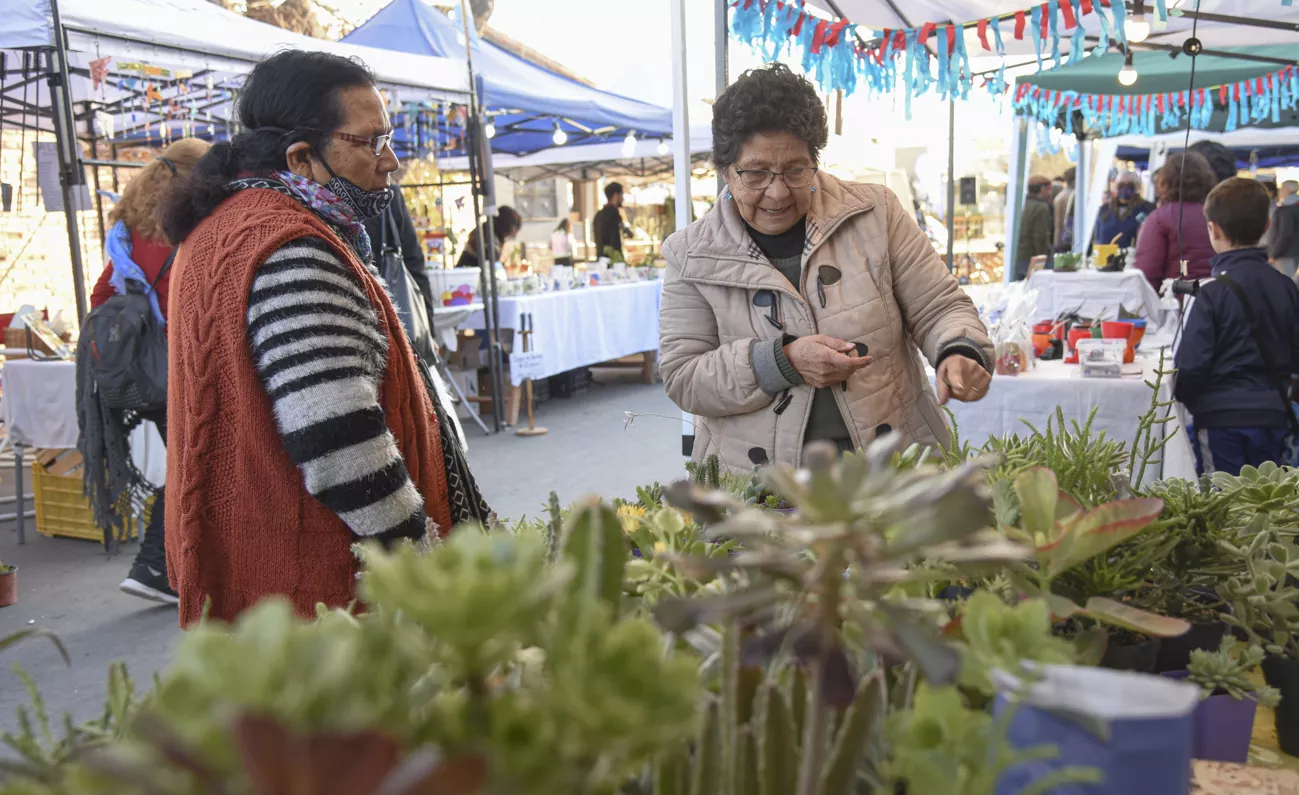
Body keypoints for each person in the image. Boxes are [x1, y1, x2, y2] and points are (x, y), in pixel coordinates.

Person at [160, 50, 491, 627]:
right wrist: (422, 571)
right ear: (302, 156)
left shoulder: (227, 226)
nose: (391, 162)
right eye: (372, 142)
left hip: (270, 588)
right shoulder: (291, 248)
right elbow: (341, 443)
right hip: (322, 598)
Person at [659, 63, 994, 470]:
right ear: (725, 169)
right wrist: (781, 362)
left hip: (894, 467)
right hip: (760, 484)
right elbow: (684, 376)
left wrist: (958, 349)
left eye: (796, 170)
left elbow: (939, 306)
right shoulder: (690, 254)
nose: (778, 192)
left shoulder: (876, 213)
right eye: (757, 173)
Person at [84, 137, 210, 606]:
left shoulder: (128, 228)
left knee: (192, 460)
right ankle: (155, 566)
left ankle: (172, 565)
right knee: (191, 463)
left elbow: (101, 297)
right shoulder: (186, 226)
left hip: (144, 371)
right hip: (181, 367)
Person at [1174, 177, 1299, 476]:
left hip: (1220, 420)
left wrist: (1193, 402)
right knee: (1265, 503)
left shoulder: (1209, 292)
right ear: (1267, 225)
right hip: (1273, 415)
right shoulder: (1285, 286)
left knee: (1225, 505)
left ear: (1213, 229)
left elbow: (1189, 367)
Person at [1133, 151, 1218, 291]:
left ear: (1165, 180)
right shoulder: (1218, 213)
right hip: (1219, 300)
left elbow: (1146, 274)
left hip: (1178, 303)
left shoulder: (1160, 218)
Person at [363, 177, 435, 321]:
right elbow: (415, 264)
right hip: (387, 315)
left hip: (383, 315)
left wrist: (427, 322)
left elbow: (414, 263)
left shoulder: (317, 198)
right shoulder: (388, 196)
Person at [1093, 171, 1155, 250]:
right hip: (1104, 258)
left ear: (1137, 186)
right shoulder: (1104, 210)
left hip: (1132, 258)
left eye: (1129, 185)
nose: (1125, 188)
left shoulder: (1147, 209)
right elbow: (1097, 237)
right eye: (1121, 185)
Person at [455, 206, 521, 269]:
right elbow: (490, 267)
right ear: (505, 226)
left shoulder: (485, 232)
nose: (512, 235)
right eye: (512, 231)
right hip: (468, 276)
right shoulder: (488, 239)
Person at [1015, 175, 1054, 280]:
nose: (1050, 193)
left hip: (1019, 257)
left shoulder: (1021, 205)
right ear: (1042, 189)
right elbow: (1040, 237)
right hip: (1032, 259)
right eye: (1049, 189)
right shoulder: (1040, 208)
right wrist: (1043, 261)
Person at [1271, 180, 1299, 279]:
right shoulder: (1295, 205)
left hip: (1285, 254)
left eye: (1282, 188)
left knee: (1285, 281)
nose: (1280, 191)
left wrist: (1275, 254)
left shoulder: (1287, 208)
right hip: (1294, 252)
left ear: (1288, 190)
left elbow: (1285, 234)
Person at [593, 182, 628, 260]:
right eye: (622, 194)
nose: (623, 199)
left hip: (601, 259)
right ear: (615, 195)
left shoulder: (598, 214)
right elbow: (615, 240)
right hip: (613, 261)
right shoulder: (614, 214)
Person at [1053, 166, 1076, 251]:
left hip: (1063, 241)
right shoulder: (1074, 196)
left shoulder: (1060, 197)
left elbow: (1057, 225)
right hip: (1070, 240)